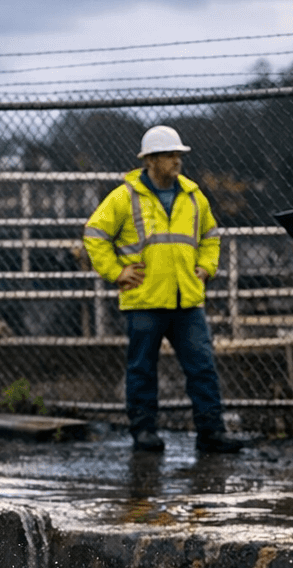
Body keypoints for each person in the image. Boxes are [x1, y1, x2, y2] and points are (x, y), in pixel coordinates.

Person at [83, 125, 245, 454]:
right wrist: (115, 272)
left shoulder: (194, 196)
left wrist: (207, 266)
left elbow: (211, 236)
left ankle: (211, 432)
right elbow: (95, 233)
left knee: (202, 367)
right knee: (142, 368)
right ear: (151, 160)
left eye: (178, 155)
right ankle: (144, 432)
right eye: (170, 155)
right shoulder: (124, 197)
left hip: (187, 298)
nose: (177, 161)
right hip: (145, 298)